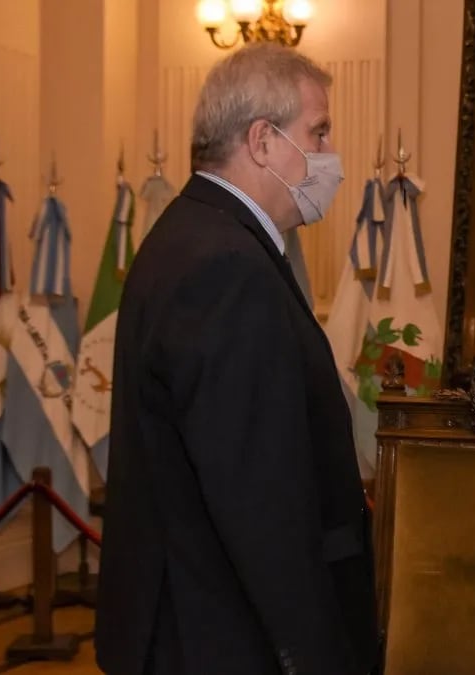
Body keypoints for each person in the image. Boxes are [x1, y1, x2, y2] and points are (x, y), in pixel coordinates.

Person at [95, 43, 378, 675]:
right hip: (221, 638)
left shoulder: (194, 234)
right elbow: (259, 494)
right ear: (263, 141)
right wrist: (312, 654)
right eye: (319, 131)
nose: (329, 154)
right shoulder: (224, 264)